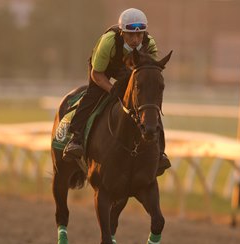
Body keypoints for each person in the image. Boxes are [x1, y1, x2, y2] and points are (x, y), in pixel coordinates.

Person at [63, 8, 171, 176]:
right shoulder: (108, 42)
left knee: (149, 107)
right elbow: (96, 74)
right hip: (103, 69)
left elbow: (149, 71)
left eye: (139, 35)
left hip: (130, 71)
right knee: (93, 96)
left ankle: (160, 152)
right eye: (130, 35)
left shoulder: (149, 44)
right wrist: (113, 90)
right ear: (122, 33)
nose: (136, 40)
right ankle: (75, 139)